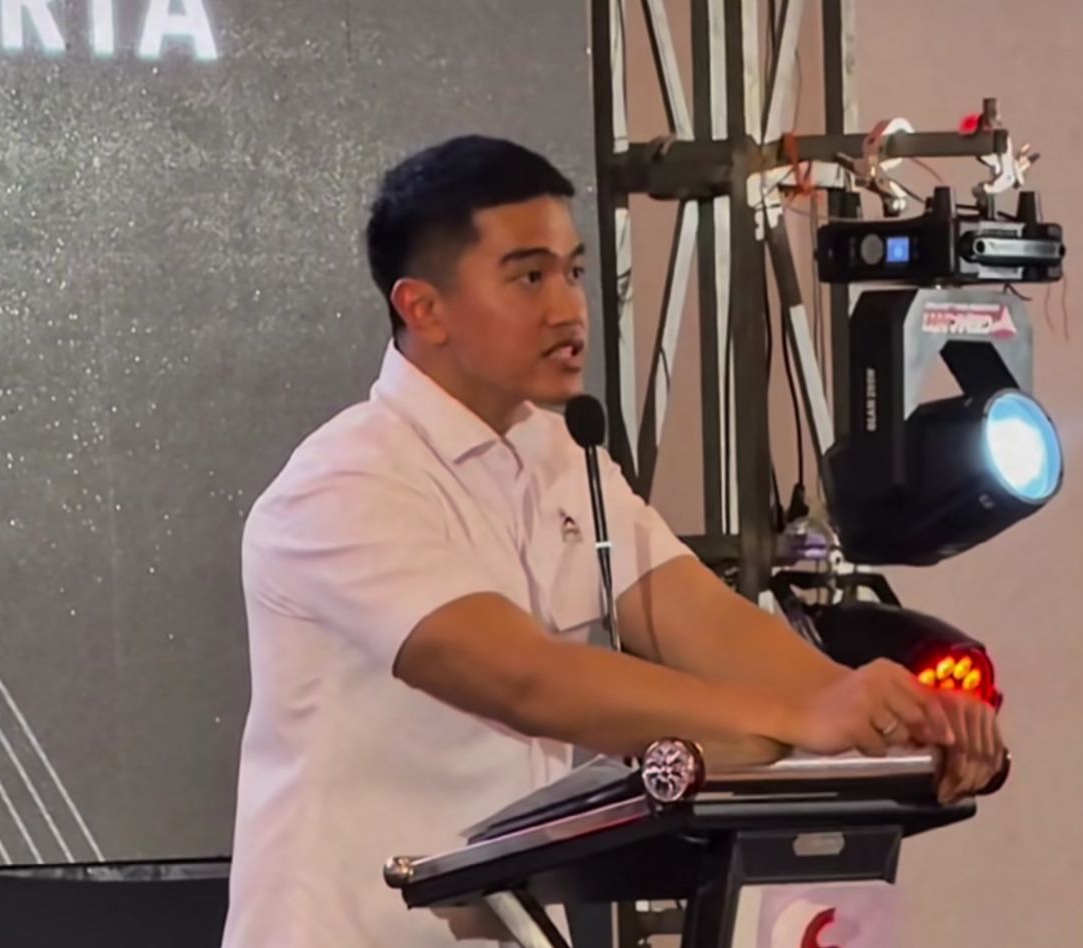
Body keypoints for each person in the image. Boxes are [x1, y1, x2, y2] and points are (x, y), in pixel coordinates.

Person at [221, 135, 1005, 948]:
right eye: (529, 277)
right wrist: (806, 715)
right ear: (425, 309)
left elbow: (700, 621)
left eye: (574, 272)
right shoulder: (343, 484)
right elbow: (525, 679)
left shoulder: (563, 456)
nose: (568, 309)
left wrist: (893, 716)